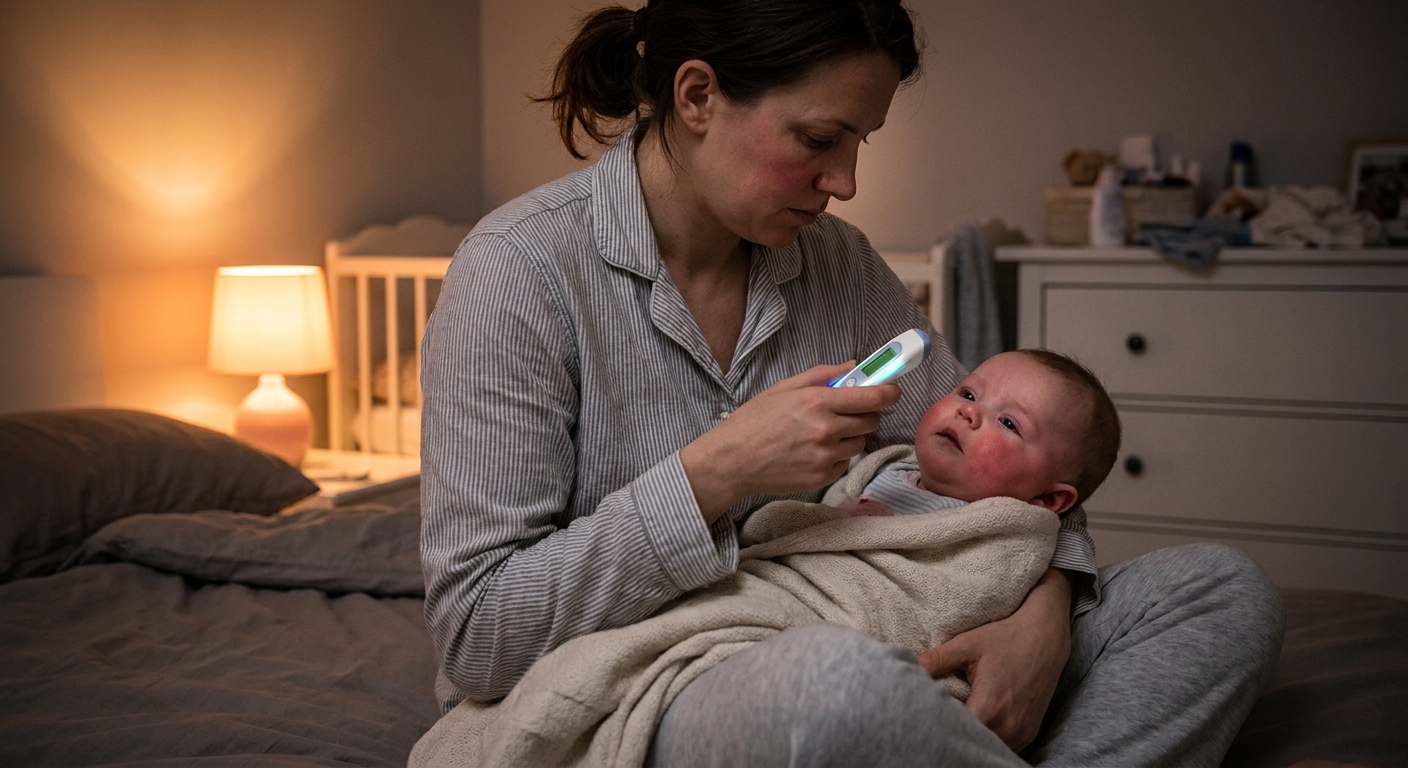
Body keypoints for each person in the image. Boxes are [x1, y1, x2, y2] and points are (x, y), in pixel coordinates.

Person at [418, 1, 1285, 765]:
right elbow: (478, 637)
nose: (846, 182)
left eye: (859, 144)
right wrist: (717, 471)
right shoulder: (518, 274)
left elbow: (1023, 467)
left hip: (888, 630)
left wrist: (1044, 615)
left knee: (1219, 592)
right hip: (677, 671)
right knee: (834, 694)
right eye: (819, 140)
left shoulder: (839, 267)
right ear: (696, 97)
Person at [844, 349, 1120, 521]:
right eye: (968, 394)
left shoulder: (997, 538)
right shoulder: (881, 471)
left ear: (1047, 500)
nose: (968, 411)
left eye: (1008, 423)